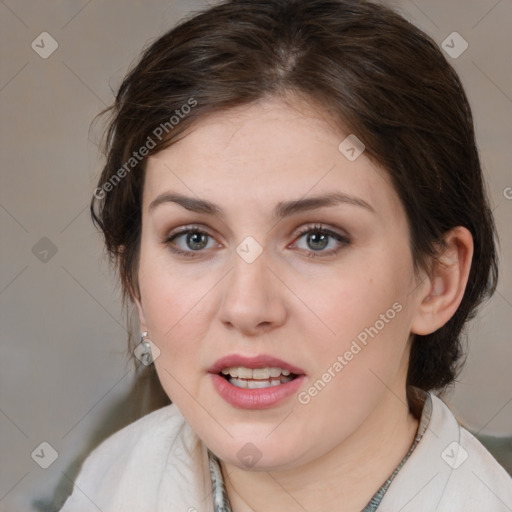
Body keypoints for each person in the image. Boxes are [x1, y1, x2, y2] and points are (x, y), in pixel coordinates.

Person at [59, 0, 512, 510]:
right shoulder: (105, 484)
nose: (247, 308)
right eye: (194, 238)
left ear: (437, 279)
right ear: (134, 281)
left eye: (318, 238)